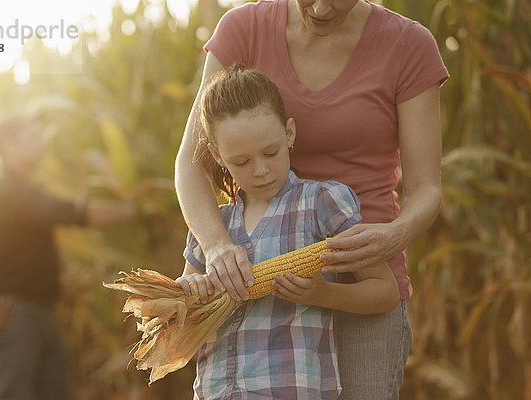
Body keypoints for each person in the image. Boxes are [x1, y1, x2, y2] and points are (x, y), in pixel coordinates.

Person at [174, 0, 449, 398]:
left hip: (362, 279)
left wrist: (396, 234)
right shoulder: (242, 29)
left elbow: (426, 187)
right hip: (261, 269)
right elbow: (192, 160)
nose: (320, 8)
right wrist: (216, 246)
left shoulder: (409, 45)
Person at [176, 64, 399, 399]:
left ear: (290, 133)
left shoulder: (320, 204)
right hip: (215, 392)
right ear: (216, 155)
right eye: (241, 162)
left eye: (271, 152)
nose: (261, 170)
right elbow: (184, 322)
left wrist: (322, 295)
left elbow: (385, 291)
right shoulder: (210, 229)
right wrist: (189, 291)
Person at [0, 112, 136, 400]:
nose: (41, 144)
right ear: (8, 145)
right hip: (17, 314)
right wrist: (135, 212)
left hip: (37, 311)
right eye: (32, 138)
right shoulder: (9, 191)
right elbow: (72, 213)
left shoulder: (20, 187)